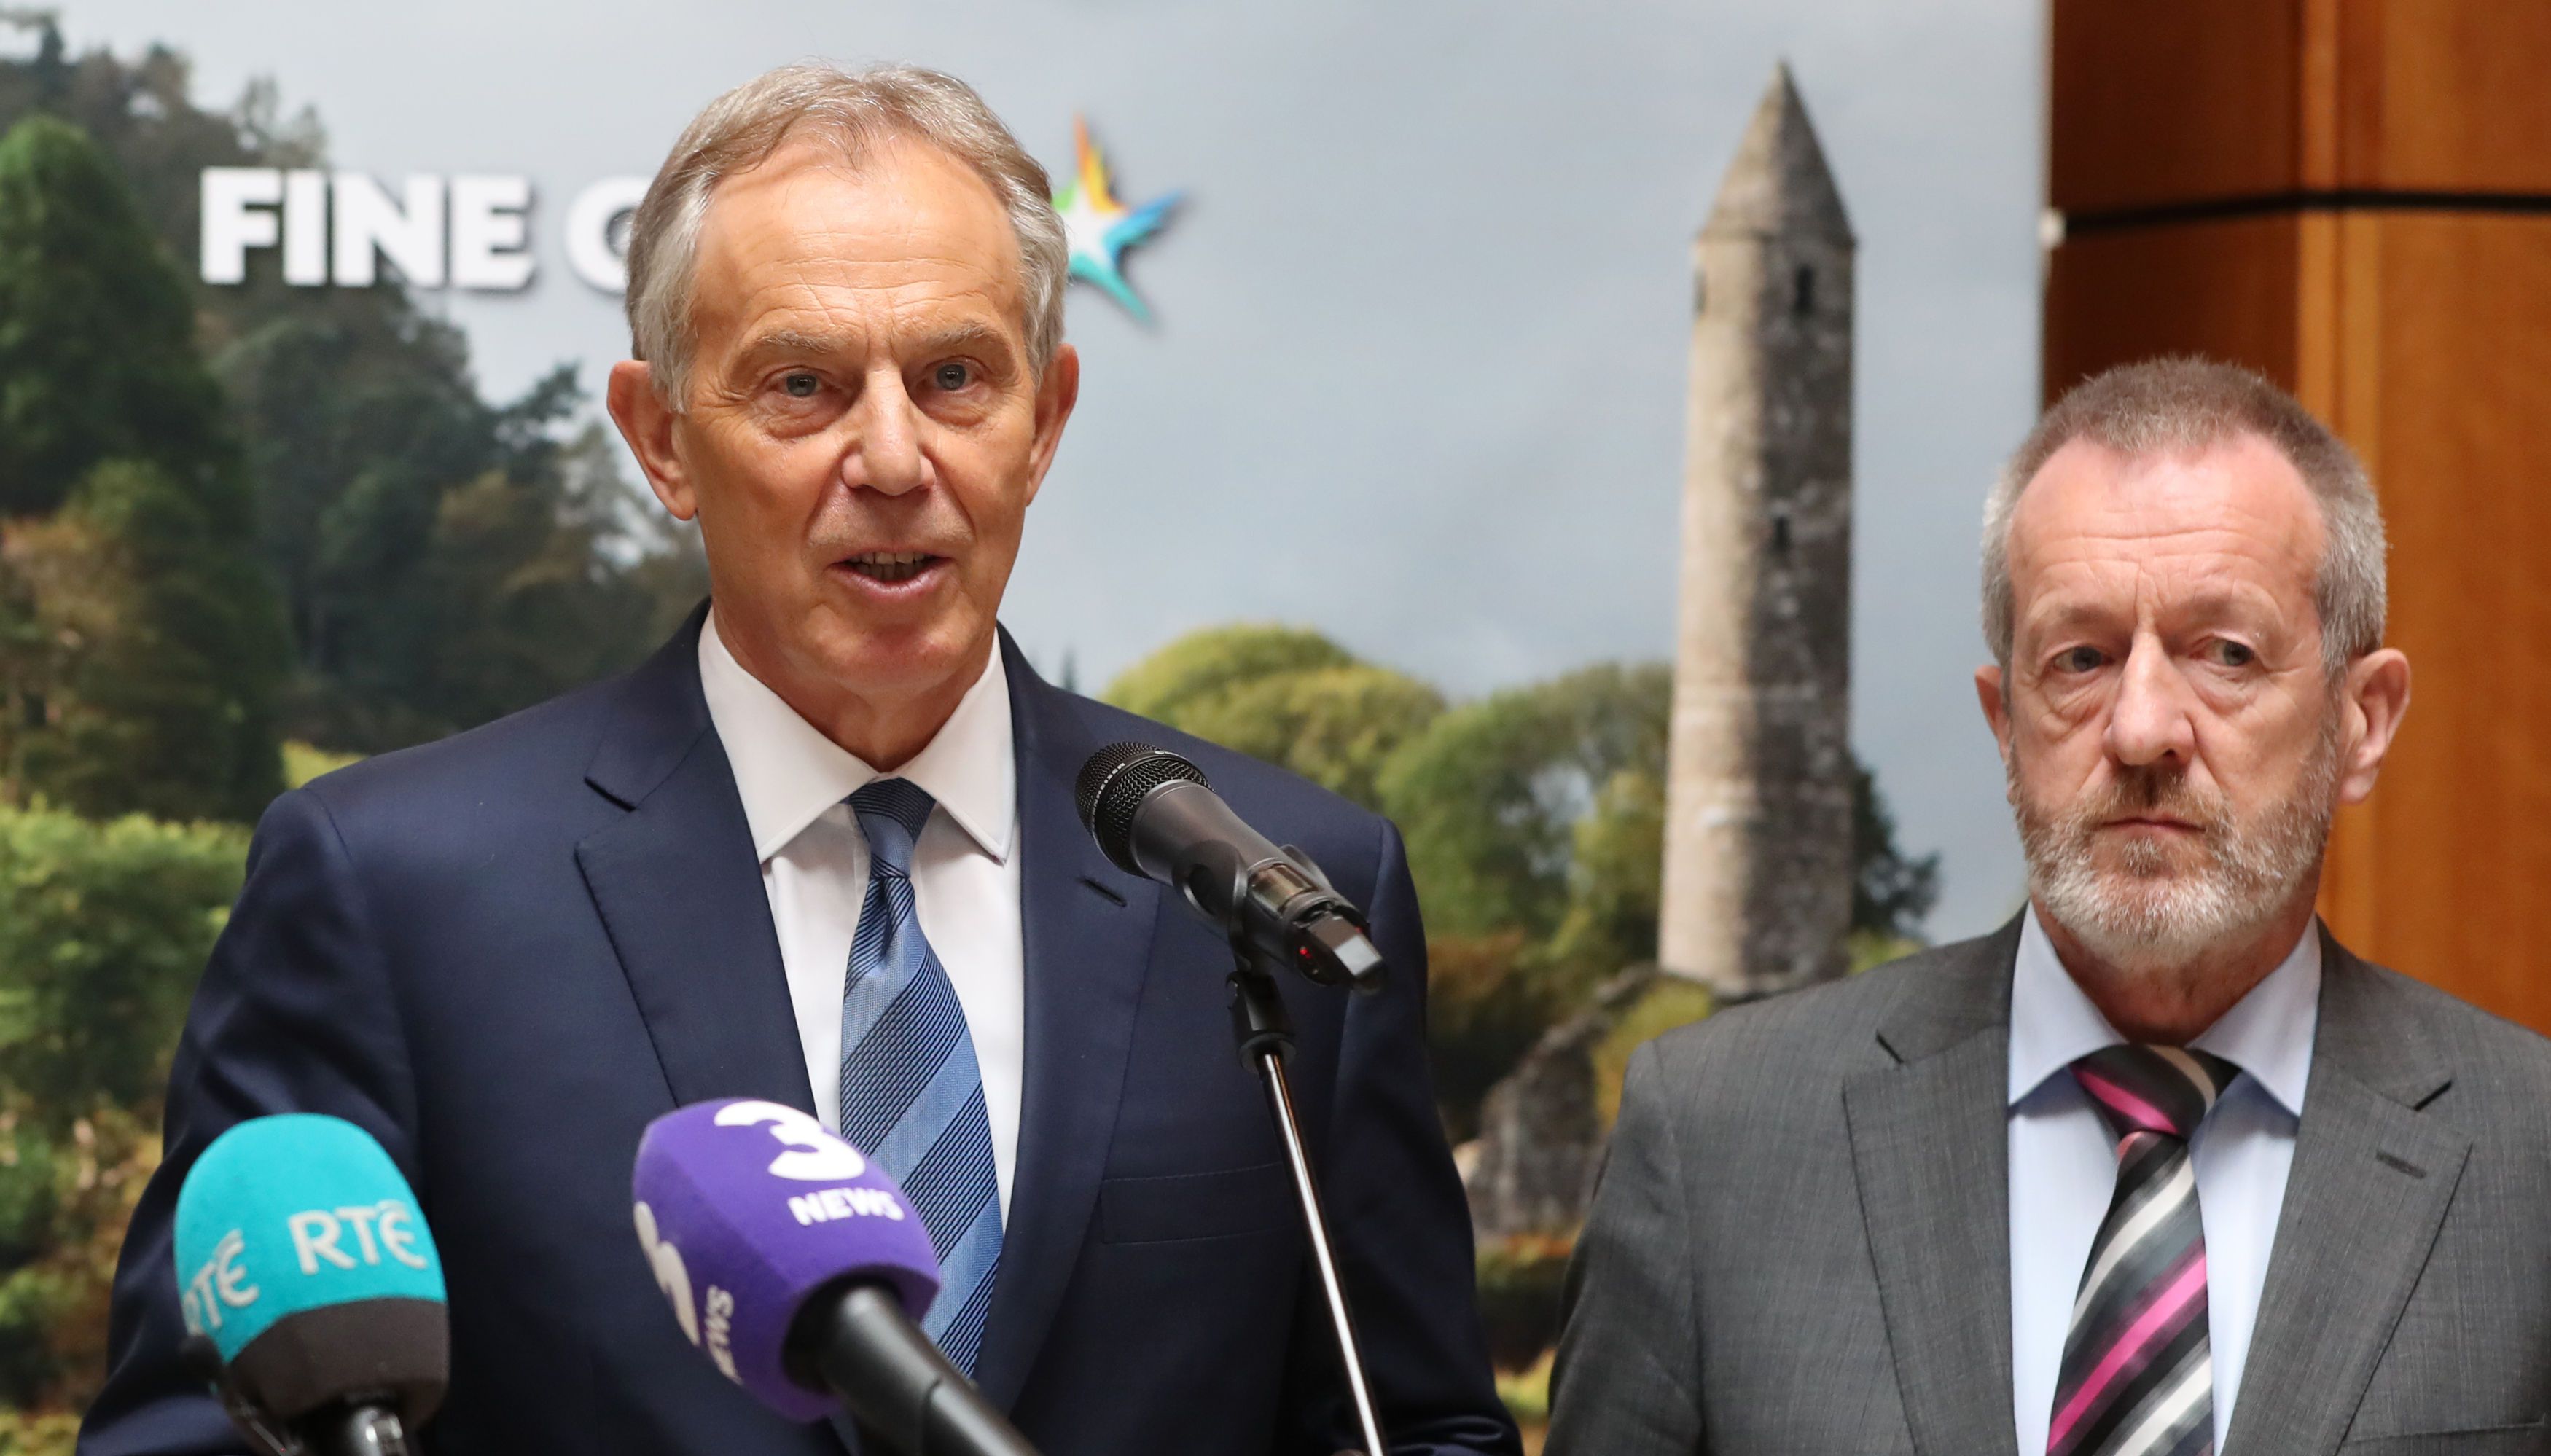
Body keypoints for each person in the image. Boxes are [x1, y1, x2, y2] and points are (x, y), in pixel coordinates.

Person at [82, 62, 1517, 1456]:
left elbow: (1415, 1427)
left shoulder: (1271, 886)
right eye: (803, 386)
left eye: (956, 377)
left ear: (1046, 422)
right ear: (660, 441)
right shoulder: (393, 897)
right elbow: (198, 1433)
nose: (893, 457)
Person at [1547, 357, 2551, 1456]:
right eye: (2081, 657)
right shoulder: (1718, 1144)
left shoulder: (2528, 1162)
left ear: (2362, 721)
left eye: (2226, 653)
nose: (2140, 730)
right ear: (2002, 721)